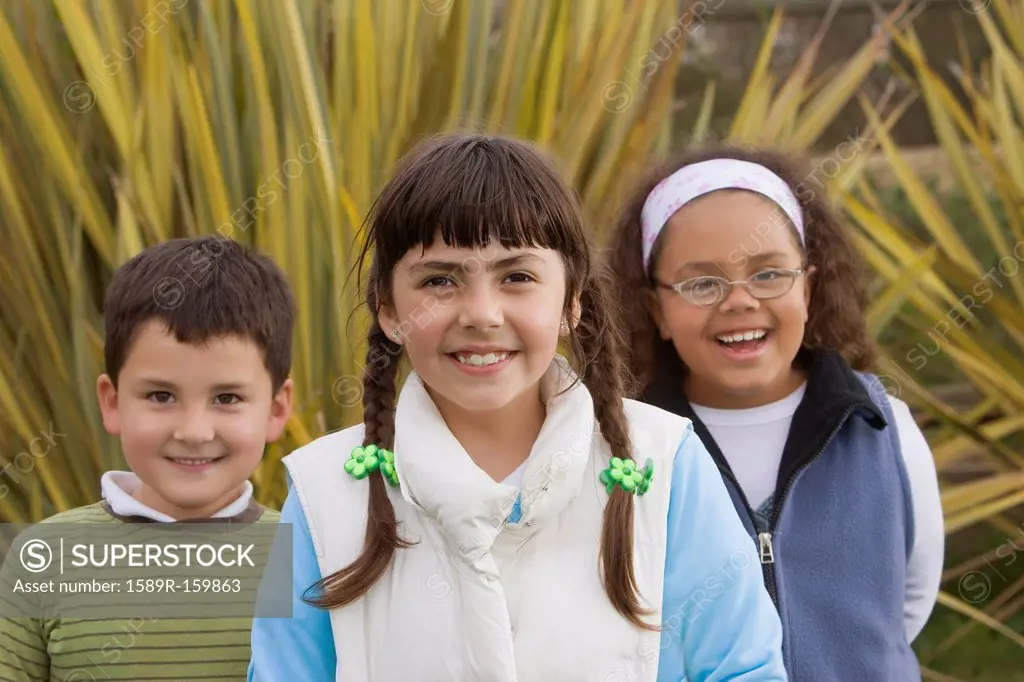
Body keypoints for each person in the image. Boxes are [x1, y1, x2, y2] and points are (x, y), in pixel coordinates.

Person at [248, 133, 787, 681]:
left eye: (517, 277)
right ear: (388, 308)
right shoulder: (319, 495)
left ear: (570, 300)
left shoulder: (667, 467)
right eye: (440, 280)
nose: (481, 314)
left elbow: (745, 669)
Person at [607, 146, 945, 681]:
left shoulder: (883, 429)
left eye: (769, 274)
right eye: (701, 284)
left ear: (807, 289)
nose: (739, 301)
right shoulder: (628, 448)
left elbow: (908, 604)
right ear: (657, 310)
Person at [0, 236, 295, 680]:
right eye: (161, 395)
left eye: (227, 398)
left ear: (275, 409)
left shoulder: (304, 559)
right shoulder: (45, 557)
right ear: (113, 401)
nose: (194, 432)